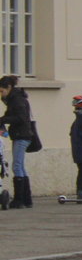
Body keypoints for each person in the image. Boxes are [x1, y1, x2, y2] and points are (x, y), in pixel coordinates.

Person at [0, 75, 35, 208]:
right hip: (21, 135)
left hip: (22, 135)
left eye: (2, 91)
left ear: (8, 87)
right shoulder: (15, 98)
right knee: (20, 166)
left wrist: (3, 120)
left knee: (17, 165)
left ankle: (19, 199)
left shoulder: (17, 100)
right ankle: (27, 199)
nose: (1, 94)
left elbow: (19, 118)